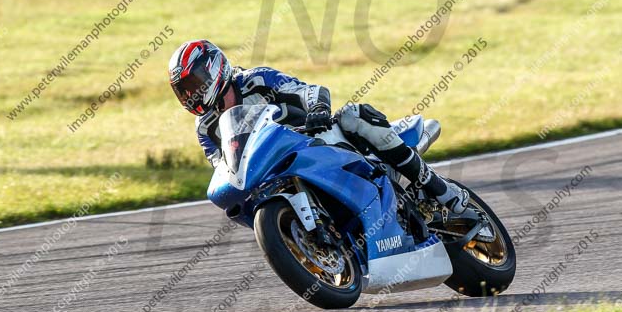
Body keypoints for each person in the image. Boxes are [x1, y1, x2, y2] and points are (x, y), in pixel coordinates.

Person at [167, 40, 469, 213]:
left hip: (317, 138)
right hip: (274, 168)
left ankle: (442, 192)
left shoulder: (255, 79)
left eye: (194, 84)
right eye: (184, 91)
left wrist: (319, 111)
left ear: (214, 69)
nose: (191, 94)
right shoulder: (205, 129)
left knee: (354, 116)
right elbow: (223, 166)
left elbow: (310, 91)